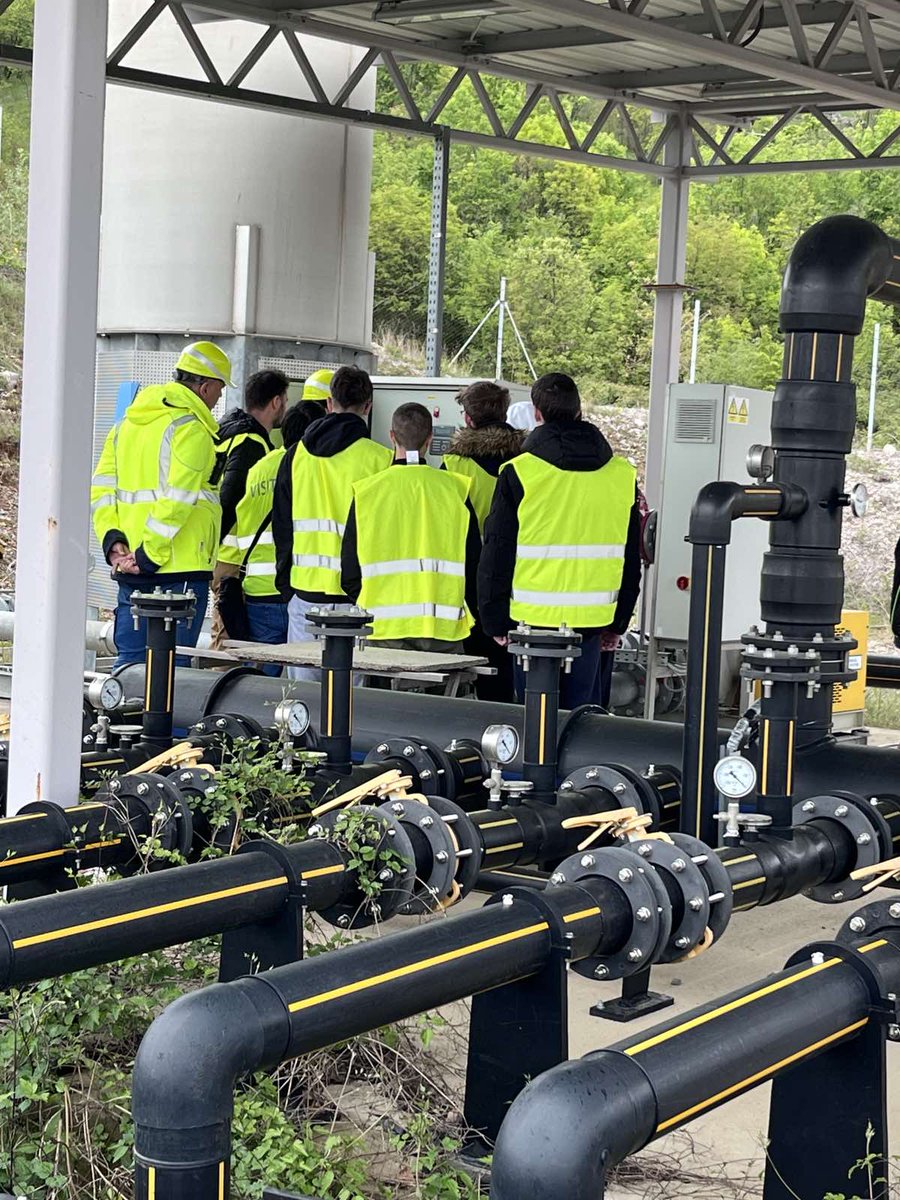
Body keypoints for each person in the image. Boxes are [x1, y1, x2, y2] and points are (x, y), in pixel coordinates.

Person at [478, 372, 642, 710]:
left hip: (532, 627)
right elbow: (630, 555)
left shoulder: (519, 473)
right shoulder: (621, 474)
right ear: (580, 412)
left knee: (536, 725)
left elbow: (498, 552)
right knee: (584, 725)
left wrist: (495, 620)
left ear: (537, 414)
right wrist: (620, 620)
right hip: (593, 626)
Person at [90, 341, 231, 667]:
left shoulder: (127, 425)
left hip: (130, 568)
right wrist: (149, 555)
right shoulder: (191, 429)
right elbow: (176, 501)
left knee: (130, 670)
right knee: (173, 681)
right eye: (219, 390)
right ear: (205, 387)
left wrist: (114, 545)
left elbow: (102, 490)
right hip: (176, 572)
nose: (218, 398)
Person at [272, 365, 392, 680]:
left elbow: (281, 525)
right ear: (368, 406)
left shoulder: (296, 456)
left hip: (306, 592)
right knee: (353, 703)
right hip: (359, 599)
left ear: (329, 403)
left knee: (301, 701)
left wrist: (286, 585)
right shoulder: (380, 459)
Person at [341, 402, 480, 657]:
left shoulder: (367, 492)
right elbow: (473, 562)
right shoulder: (456, 490)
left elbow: (349, 571)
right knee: (442, 698)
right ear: (430, 438)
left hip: (383, 629)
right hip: (443, 629)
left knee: (385, 697)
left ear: (391, 436)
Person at [217, 406, 313, 676]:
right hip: (298, 586)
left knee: (262, 675)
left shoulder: (259, 468)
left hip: (258, 589)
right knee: (303, 676)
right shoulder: (309, 467)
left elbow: (241, 519)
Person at [443, 380, 524, 701]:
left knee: (476, 669)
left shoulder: (454, 464)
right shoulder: (526, 461)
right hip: (521, 579)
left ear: (468, 419)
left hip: (471, 582)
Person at [210, 369, 288, 649]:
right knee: (229, 645)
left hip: (225, 558)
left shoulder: (227, 433)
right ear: (277, 402)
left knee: (232, 638)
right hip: (234, 562)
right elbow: (229, 500)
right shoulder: (252, 443)